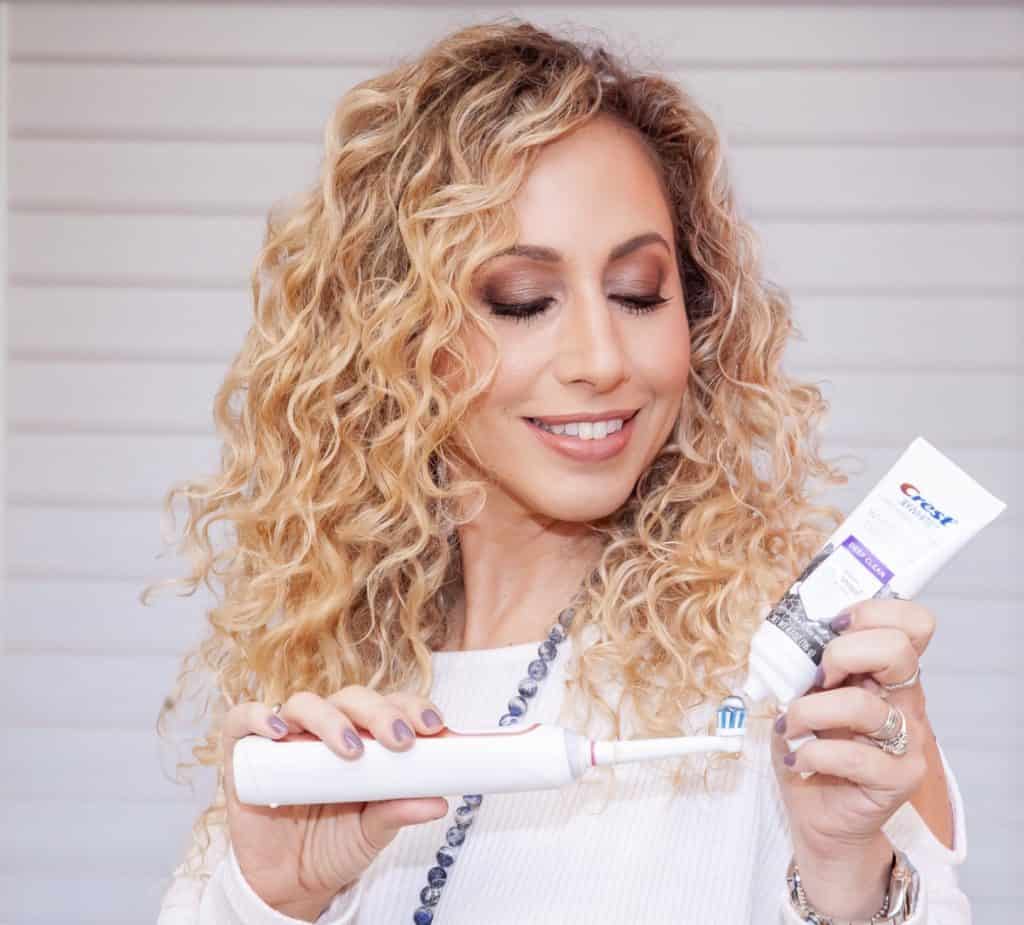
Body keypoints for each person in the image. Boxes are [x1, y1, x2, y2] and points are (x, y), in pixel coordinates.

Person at [152, 19, 969, 925]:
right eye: (523, 301)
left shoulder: (796, 671)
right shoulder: (321, 682)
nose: (600, 357)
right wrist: (273, 900)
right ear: (392, 339)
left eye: (638, 294)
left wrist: (848, 873)